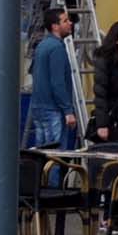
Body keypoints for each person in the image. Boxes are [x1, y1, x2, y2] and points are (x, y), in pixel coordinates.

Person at [22, 16, 80, 149]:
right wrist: (68, 111)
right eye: (65, 21)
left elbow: (34, 73)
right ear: (55, 26)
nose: (70, 23)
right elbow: (58, 82)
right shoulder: (57, 48)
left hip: (39, 106)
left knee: (42, 154)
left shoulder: (42, 46)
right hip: (54, 108)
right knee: (55, 156)